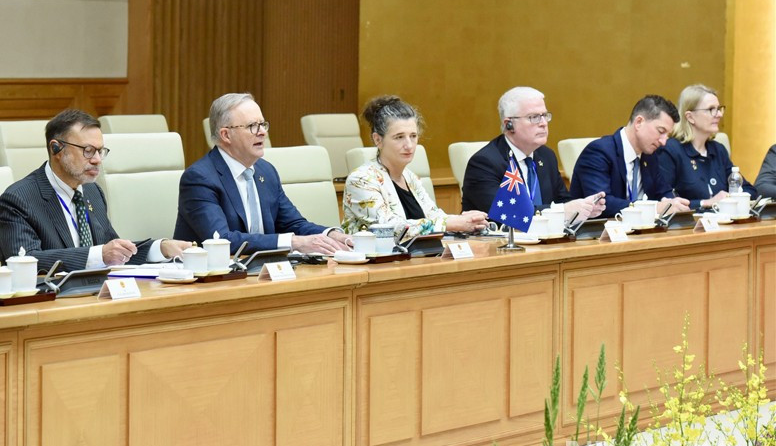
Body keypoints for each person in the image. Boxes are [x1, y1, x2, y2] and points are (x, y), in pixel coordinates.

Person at [0, 109, 191, 273]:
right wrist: (99, 255)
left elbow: (113, 250)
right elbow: (24, 261)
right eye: (88, 151)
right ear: (56, 149)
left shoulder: (91, 192)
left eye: (100, 151)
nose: (97, 159)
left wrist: (159, 248)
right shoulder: (19, 199)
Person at [174, 93, 353, 254]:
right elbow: (221, 240)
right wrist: (293, 242)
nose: (263, 132)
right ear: (226, 135)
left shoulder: (266, 171)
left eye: (263, 124)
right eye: (252, 126)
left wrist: (330, 234)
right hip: (212, 279)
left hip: (262, 272)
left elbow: (293, 224)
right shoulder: (200, 178)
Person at [342, 95, 487, 240]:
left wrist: (468, 220)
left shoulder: (410, 177)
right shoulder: (361, 180)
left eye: (413, 136)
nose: (409, 145)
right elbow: (389, 228)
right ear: (378, 140)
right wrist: (451, 223)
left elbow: (435, 217)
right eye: (399, 137)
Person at [461, 86, 606, 224]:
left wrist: (583, 209)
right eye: (534, 117)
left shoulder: (546, 156)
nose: (543, 123)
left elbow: (563, 201)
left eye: (544, 116)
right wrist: (563, 211)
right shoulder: (485, 163)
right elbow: (509, 214)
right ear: (509, 124)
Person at [570, 95, 691, 217]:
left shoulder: (650, 156)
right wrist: (655, 208)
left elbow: (663, 192)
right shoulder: (599, 152)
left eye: (667, 135)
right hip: (601, 232)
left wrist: (674, 203)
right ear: (639, 122)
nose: (663, 142)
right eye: (661, 131)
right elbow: (602, 204)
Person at [659, 84, 757, 210]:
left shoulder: (718, 150)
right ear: (690, 117)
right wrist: (705, 203)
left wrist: (734, 199)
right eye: (711, 109)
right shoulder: (670, 150)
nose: (719, 115)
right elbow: (665, 201)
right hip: (687, 226)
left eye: (719, 108)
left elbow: (749, 190)